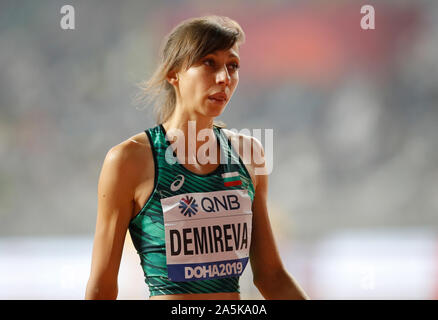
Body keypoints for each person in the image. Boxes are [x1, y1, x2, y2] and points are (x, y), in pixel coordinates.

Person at [85, 15, 309, 300]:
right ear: (173, 73)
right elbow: (102, 286)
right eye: (209, 63)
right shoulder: (128, 160)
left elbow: (271, 277)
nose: (224, 78)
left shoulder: (249, 155)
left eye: (233, 66)